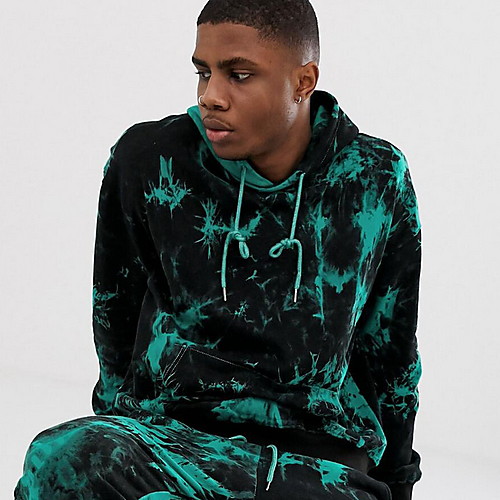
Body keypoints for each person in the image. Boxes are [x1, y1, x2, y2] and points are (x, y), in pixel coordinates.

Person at [14, 1, 423, 499]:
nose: (211, 96)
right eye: (203, 72)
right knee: (61, 457)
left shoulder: (374, 177)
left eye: (239, 75)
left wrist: (398, 483)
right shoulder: (149, 160)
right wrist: (115, 445)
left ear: (303, 81)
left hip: (311, 467)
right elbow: (114, 320)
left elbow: (391, 352)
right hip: (172, 443)